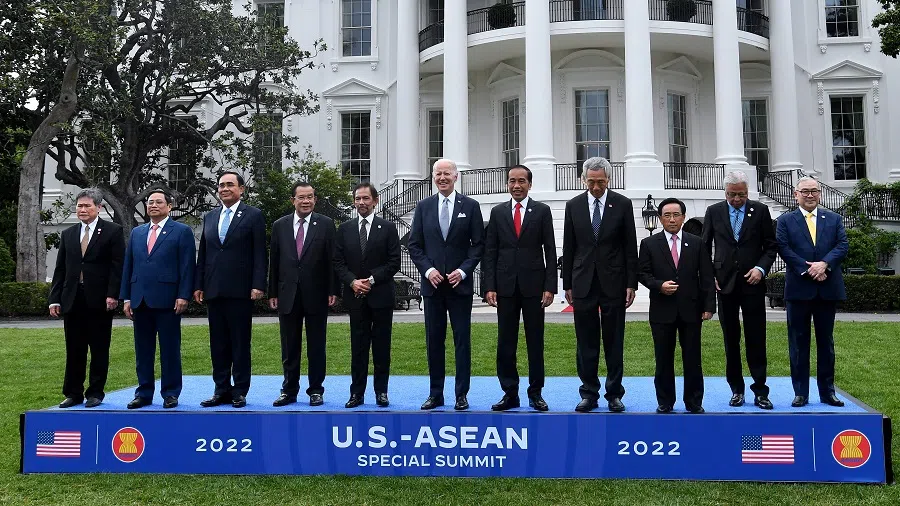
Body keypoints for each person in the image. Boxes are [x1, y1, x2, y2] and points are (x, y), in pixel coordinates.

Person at [561, 156, 638, 413]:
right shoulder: (573, 206)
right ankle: (588, 393)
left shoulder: (623, 204)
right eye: (591, 182)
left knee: (614, 340)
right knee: (586, 342)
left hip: (614, 283)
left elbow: (630, 247)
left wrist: (631, 283)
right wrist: (567, 284)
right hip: (582, 283)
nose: (596, 187)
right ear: (584, 180)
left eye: (600, 182)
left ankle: (614, 393)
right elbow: (569, 247)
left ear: (608, 180)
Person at [408, 158, 485, 411]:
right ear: (433, 177)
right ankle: (436, 393)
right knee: (434, 341)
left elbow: (478, 245)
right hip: (432, 288)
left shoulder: (471, 206)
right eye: (438, 174)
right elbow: (414, 245)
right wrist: (428, 270)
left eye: (447, 174)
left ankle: (461, 395)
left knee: (462, 341)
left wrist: (463, 271)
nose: (442, 178)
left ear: (456, 177)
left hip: (459, 287)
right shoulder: (423, 207)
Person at [701, 171, 777, 410]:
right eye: (732, 195)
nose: (737, 199)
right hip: (725, 284)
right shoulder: (714, 212)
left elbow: (771, 246)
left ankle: (760, 390)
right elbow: (704, 247)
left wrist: (761, 268)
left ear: (748, 191)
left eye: (741, 194)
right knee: (730, 339)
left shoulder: (760, 211)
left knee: (756, 337)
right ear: (725, 193)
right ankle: (736, 389)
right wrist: (709, 276)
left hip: (753, 283)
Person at [483, 165, 556, 412]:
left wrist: (550, 287)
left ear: (529, 184)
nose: (516, 185)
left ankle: (536, 393)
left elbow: (550, 249)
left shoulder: (542, 211)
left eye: (521, 181)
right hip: (504, 287)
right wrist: (489, 285)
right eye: (512, 181)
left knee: (535, 343)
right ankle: (509, 393)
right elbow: (490, 251)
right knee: (506, 343)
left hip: (534, 287)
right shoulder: (497, 212)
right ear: (507, 184)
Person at [194, 171, 267, 409]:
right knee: (218, 344)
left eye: (229, 185)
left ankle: (239, 391)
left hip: (241, 290)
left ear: (241, 189)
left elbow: (259, 253)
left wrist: (258, 284)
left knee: (239, 342)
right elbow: (204, 253)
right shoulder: (211, 216)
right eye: (221, 185)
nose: (224, 188)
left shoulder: (253, 215)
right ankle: (221, 389)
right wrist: (199, 284)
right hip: (214, 289)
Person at [48, 188, 124, 408]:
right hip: (72, 299)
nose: (82, 209)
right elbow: (60, 267)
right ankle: (73, 393)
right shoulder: (69, 234)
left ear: (98, 207)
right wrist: (55, 298)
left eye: (87, 206)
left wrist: (113, 294)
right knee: (74, 348)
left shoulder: (112, 231)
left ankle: (95, 392)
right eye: (79, 206)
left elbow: (117, 266)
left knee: (99, 348)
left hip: (100, 300)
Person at [776, 176, 848, 408]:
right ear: (795, 194)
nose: (809, 195)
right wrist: (808, 270)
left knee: (826, 342)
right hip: (799, 288)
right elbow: (784, 248)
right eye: (804, 191)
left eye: (814, 191)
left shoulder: (834, 219)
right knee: (798, 342)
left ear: (820, 194)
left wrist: (824, 264)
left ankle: (828, 392)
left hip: (827, 288)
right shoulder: (785, 220)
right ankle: (801, 393)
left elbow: (842, 245)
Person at [639, 198, 715, 414]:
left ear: (683, 217)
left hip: (691, 310)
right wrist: (658, 285)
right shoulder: (649, 244)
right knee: (663, 358)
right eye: (667, 215)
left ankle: (693, 401)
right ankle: (665, 401)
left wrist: (709, 305)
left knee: (692, 357)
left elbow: (707, 276)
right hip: (662, 310)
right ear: (660, 218)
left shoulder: (697, 243)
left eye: (676, 215)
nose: (672, 219)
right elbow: (642, 273)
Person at [120, 190, 195, 409]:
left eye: (158, 202)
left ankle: (170, 393)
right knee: (143, 351)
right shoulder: (137, 232)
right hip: (140, 300)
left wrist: (183, 295)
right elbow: (129, 266)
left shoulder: (181, 232)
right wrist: (126, 297)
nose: (153, 205)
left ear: (169, 206)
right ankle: (143, 393)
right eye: (150, 202)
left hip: (168, 300)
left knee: (170, 350)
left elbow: (187, 266)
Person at [268, 182, 338, 407]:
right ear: (293, 200)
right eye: (301, 197)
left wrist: (333, 290)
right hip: (287, 294)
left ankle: (316, 390)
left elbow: (332, 260)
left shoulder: (326, 224)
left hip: (317, 294)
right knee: (289, 346)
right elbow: (274, 261)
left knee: (317, 345)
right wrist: (272, 292)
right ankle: (289, 390)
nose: (306, 201)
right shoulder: (280, 225)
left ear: (315, 200)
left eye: (310, 197)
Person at [333, 183, 401, 408]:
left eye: (365, 198)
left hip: (380, 295)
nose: (361, 202)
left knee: (382, 347)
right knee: (358, 347)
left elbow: (393, 262)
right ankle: (357, 394)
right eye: (357, 199)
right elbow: (338, 262)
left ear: (375, 200)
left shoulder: (388, 227)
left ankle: (381, 392)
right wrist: (353, 282)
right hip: (355, 297)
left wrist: (370, 280)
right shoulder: (345, 229)